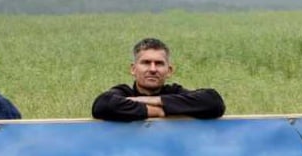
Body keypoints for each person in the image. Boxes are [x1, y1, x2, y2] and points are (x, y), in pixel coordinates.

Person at [91, 37, 225, 122]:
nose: (153, 69)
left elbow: (213, 101)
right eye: (146, 63)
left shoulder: (175, 92)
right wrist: (159, 111)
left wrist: (149, 100)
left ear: (169, 71)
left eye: (159, 63)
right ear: (133, 69)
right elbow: (103, 104)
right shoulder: (124, 93)